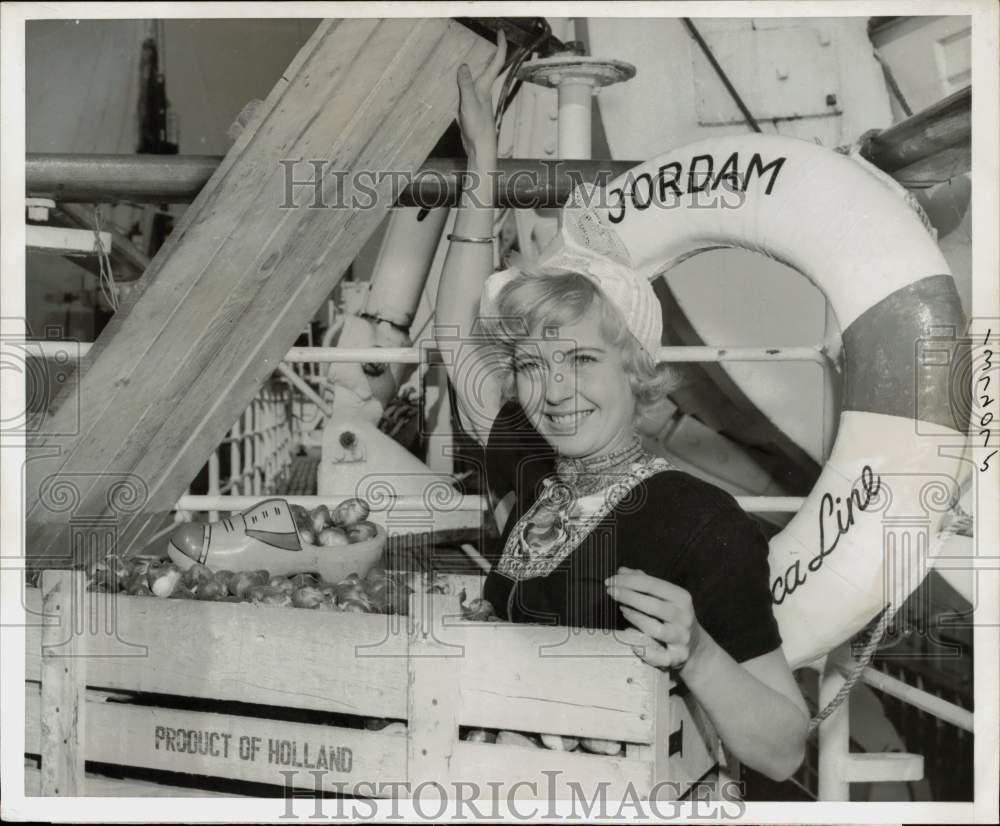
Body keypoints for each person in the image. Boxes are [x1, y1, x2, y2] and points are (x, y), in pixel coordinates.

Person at [435, 33, 809, 783]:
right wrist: (481, 167)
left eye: (580, 360)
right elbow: (454, 337)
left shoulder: (703, 523)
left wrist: (696, 653)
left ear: (637, 371)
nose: (554, 391)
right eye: (533, 366)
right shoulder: (539, 469)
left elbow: (783, 748)